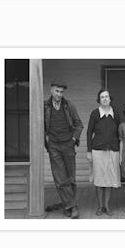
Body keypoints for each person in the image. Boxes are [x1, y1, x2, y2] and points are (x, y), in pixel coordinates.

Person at [44, 82, 84, 219]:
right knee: (60, 179)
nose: (59, 94)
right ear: (51, 90)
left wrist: (73, 139)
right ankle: (73, 207)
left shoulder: (69, 105)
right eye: (57, 91)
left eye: (61, 92)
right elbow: (40, 125)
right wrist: (46, 141)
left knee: (70, 178)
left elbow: (79, 125)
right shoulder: (45, 106)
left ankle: (68, 206)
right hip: (54, 145)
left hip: (68, 144)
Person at [87, 89, 121, 216]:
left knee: (109, 179)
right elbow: (89, 132)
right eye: (102, 97)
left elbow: (119, 132)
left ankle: (107, 206)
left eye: (107, 96)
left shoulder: (115, 114)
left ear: (110, 99)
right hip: (98, 151)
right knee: (99, 180)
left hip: (113, 150)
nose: (105, 99)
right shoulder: (95, 114)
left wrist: (119, 149)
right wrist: (89, 151)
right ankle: (100, 206)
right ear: (99, 100)